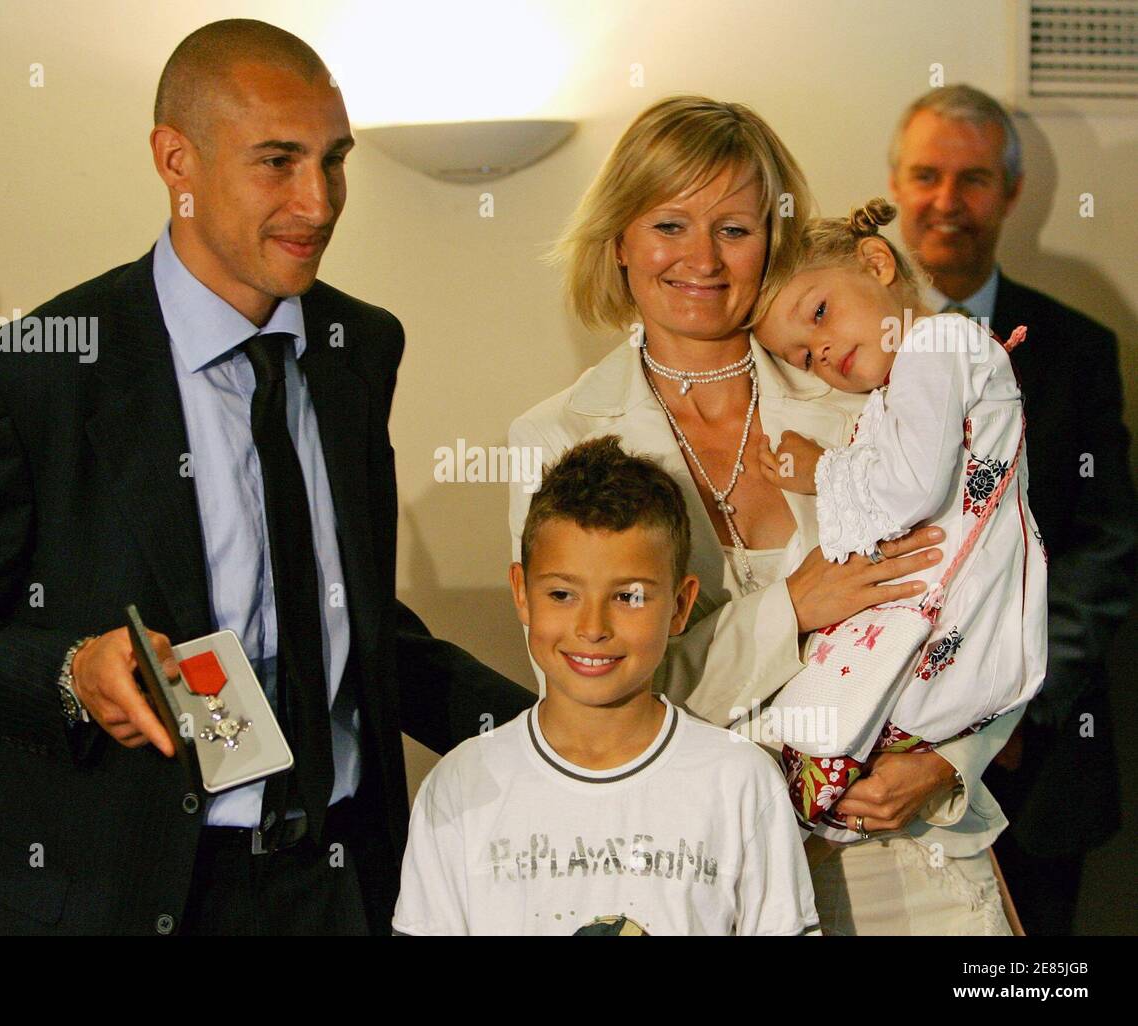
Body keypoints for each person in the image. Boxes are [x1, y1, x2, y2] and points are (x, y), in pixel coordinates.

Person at [0, 19, 532, 936]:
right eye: (277, 162)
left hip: (338, 888)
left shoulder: (359, 347)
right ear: (176, 159)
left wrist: (560, 739)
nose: (320, 202)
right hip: (107, 898)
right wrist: (69, 673)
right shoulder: (31, 375)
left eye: (334, 162)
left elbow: (360, 631)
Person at [508, 95, 1022, 934]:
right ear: (621, 242)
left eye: (735, 230)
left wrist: (946, 762)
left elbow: (989, 581)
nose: (702, 260)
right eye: (670, 225)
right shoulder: (553, 438)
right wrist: (790, 610)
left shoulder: (867, 381)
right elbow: (589, 691)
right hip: (705, 872)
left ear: (773, 239)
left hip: (908, 858)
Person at [887, 85, 1137, 934]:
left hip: (1039, 764)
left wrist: (1015, 704)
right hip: (872, 761)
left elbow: (1106, 548)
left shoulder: (1079, 350)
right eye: (926, 176)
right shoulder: (842, 341)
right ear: (894, 182)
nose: (946, 202)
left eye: (974, 179)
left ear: (1011, 193)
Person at [394, 437, 819, 935]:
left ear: (680, 605)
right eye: (561, 593)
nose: (592, 626)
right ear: (521, 593)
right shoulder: (460, 784)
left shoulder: (741, 782)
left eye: (629, 596)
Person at [753, 199, 1047, 851]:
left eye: (820, 314)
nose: (823, 351)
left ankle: (815, 784)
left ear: (876, 261)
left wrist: (822, 468)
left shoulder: (935, 346)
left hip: (961, 587)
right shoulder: (912, 370)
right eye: (804, 356)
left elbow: (911, 488)